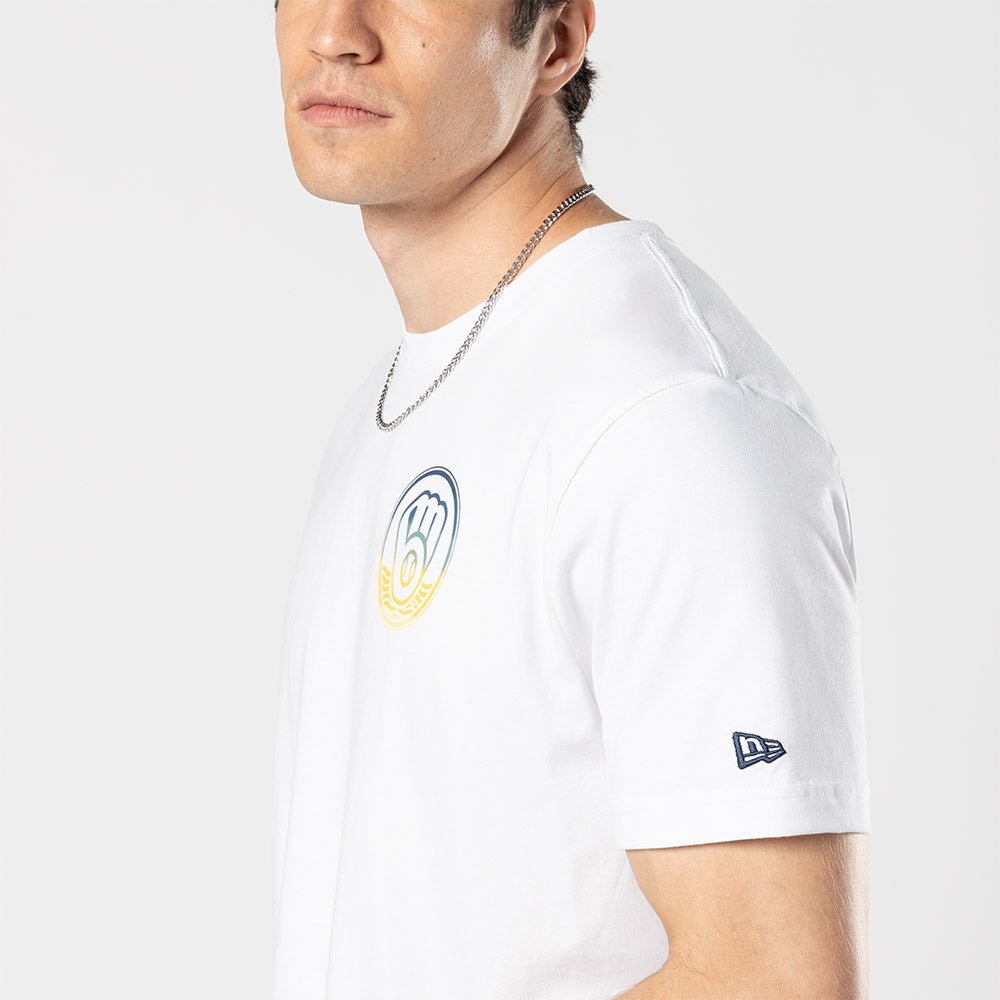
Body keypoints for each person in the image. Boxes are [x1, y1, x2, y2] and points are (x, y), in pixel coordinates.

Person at [270, 2, 872, 998]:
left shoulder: (665, 416)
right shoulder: (403, 390)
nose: (336, 31)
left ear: (555, 40)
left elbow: (775, 978)